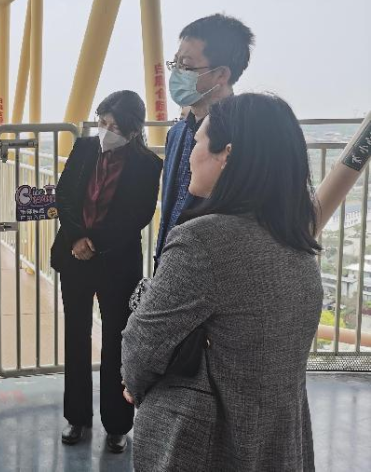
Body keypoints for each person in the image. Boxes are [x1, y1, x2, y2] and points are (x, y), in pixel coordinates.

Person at [121, 93, 323, 471]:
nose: (191, 155)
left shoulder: (203, 240)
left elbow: (144, 343)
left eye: (199, 142)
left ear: (225, 154)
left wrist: (134, 384)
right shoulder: (294, 238)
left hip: (209, 445)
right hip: (277, 441)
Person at [50, 91, 162, 452]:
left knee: (117, 339)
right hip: (74, 256)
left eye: (115, 127)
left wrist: (94, 242)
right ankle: (76, 417)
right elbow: (64, 195)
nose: (106, 131)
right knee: (76, 335)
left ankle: (117, 423)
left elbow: (138, 214)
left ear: (133, 131)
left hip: (116, 261)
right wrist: (76, 237)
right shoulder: (84, 148)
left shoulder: (148, 164)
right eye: (102, 122)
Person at [155, 14, 255, 262]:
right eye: (175, 63)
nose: (176, 73)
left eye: (186, 66)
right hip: (170, 261)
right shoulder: (176, 133)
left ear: (221, 74)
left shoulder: (246, 137)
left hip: (213, 266)